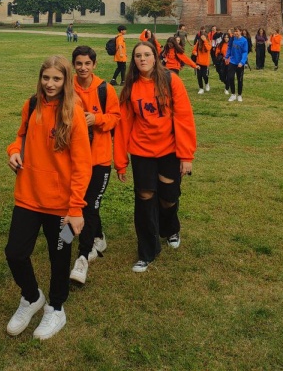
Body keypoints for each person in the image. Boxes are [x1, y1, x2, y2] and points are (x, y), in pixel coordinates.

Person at [5, 56, 92, 341]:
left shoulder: (74, 112)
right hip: (28, 196)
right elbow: (20, 137)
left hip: (63, 206)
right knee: (15, 253)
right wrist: (13, 151)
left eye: (57, 79)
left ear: (66, 81)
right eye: (46, 78)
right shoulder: (32, 105)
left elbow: (82, 165)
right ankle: (32, 297)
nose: (50, 84)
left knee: (60, 258)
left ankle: (56, 307)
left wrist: (76, 208)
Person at [114, 41, 196, 273]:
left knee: (168, 197)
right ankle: (147, 251)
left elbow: (184, 118)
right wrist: (120, 162)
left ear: (155, 57)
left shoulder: (171, 81)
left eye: (147, 54)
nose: (142, 59)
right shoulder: (130, 87)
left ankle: (170, 229)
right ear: (134, 60)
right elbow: (123, 125)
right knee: (145, 198)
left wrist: (186, 155)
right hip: (142, 151)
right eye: (138, 55)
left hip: (169, 149)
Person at [69, 46, 120, 285]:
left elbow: (116, 118)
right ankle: (98, 236)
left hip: (99, 159)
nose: (83, 68)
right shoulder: (67, 87)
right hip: (74, 159)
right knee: (79, 200)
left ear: (94, 65)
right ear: (74, 65)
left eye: (87, 63)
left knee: (90, 205)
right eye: (79, 63)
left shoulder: (104, 89)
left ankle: (83, 255)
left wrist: (96, 119)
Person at [225, 27, 248, 102]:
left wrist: (242, 62)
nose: (235, 33)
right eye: (234, 31)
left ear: (240, 32)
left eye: (237, 31)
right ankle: (233, 94)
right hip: (232, 61)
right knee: (231, 77)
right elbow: (229, 48)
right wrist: (226, 57)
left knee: (240, 79)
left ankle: (239, 95)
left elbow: (245, 52)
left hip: (239, 63)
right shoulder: (232, 39)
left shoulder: (244, 41)